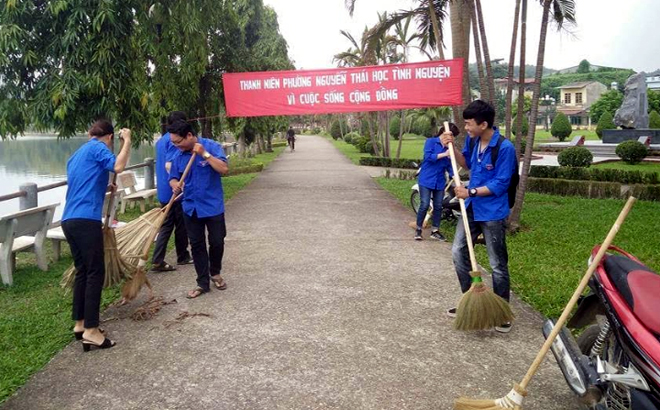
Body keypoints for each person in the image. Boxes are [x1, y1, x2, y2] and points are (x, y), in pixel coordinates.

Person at [440, 100, 516, 333]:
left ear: (483, 124)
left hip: (492, 211)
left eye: (469, 124)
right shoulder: (474, 141)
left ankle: (502, 311)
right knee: (458, 252)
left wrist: (470, 191)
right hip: (471, 207)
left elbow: (501, 184)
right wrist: (452, 149)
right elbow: (468, 164)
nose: (466, 128)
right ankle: (471, 303)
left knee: (497, 263)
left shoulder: (504, 148)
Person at [62, 119, 131, 351]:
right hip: (86, 220)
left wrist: (104, 187)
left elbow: (82, 184)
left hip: (69, 220)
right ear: (110, 137)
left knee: (83, 271)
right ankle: (92, 330)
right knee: (95, 272)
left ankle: (80, 324)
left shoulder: (78, 153)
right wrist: (128, 141)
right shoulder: (99, 148)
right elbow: (118, 167)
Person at [168, 120, 229, 299]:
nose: (176, 145)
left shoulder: (210, 146)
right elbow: (173, 178)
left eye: (178, 141)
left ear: (189, 136)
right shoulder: (178, 154)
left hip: (212, 206)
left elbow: (224, 169)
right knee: (196, 245)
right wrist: (175, 185)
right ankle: (202, 282)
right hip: (190, 207)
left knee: (217, 241)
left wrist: (205, 154)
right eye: (173, 143)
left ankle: (215, 272)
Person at [151, 111, 193, 272]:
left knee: (167, 225)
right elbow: (170, 165)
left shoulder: (161, 140)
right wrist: (178, 183)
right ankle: (182, 256)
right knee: (180, 225)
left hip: (163, 189)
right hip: (174, 191)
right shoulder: (173, 140)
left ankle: (158, 259)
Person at [414, 122, 458, 241]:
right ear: (444, 133)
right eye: (451, 136)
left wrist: (455, 177)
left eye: (453, 137)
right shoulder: (431, 142)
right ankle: (418, 229)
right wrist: (444, 154)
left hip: (439, 181)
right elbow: (428, 157)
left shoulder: (449, 147)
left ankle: (435, 230)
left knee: (438, 206)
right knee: (424, 204)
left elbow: (449, 166)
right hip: (426, 179)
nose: (451, 139)